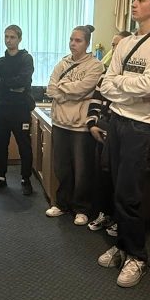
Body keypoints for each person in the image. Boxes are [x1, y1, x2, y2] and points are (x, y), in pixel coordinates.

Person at [96, 0, 150, 287]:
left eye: (140, 0)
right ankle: (122, 245)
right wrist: (133, 88)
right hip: (117, 120)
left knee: (130, 193)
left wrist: (124, 85)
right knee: (116, 188)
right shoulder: (126, 41)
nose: (134, 4)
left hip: (140, 125)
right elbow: (106, 84)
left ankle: (137, 257)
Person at [45, 24, 105, 223]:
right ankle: (62, 204)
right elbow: (51, 89)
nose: (73, 43)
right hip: (60, 123)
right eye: (71, 39)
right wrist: (70, 92)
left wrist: (63, 88)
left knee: (82, 170)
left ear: (87, 43)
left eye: (78, 40)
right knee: (61, 168)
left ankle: (82, 209)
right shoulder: (62, 63)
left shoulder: (95, 66)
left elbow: (83, 89)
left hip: (80, 127)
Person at [86, 31, 131, 234]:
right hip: (102, 130)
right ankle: (104, 213)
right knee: (102, 177)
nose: (114, 49)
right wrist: (92, 125)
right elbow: (95, 101)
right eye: (113, 45)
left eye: (118, 45)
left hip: (121, 131)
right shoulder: (106, 75)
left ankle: (118, 218)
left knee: (119, 179)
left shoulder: (129, 77)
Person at [0, 25, 35, 195]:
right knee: (0, 144)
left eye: (12, 37)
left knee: (24, 145)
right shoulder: (0, 62)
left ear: (19, 39)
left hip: (20, 110)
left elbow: (23, 81)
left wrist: (3, 83)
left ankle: (26, 179)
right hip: (2, 109)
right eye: (6, 36)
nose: (8, 40)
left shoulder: (26, 59)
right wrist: (11, 87)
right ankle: (0, 178)